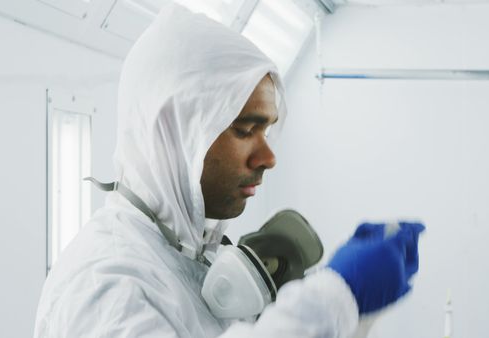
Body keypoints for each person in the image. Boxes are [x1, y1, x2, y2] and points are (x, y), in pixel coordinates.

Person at [33, 4, 424, 338]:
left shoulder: (190, 252)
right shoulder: (103, 287)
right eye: (244, 130)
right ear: (174, 132)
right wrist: (336, 297)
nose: (269, 157)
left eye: (267, 130)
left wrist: (360, 311)